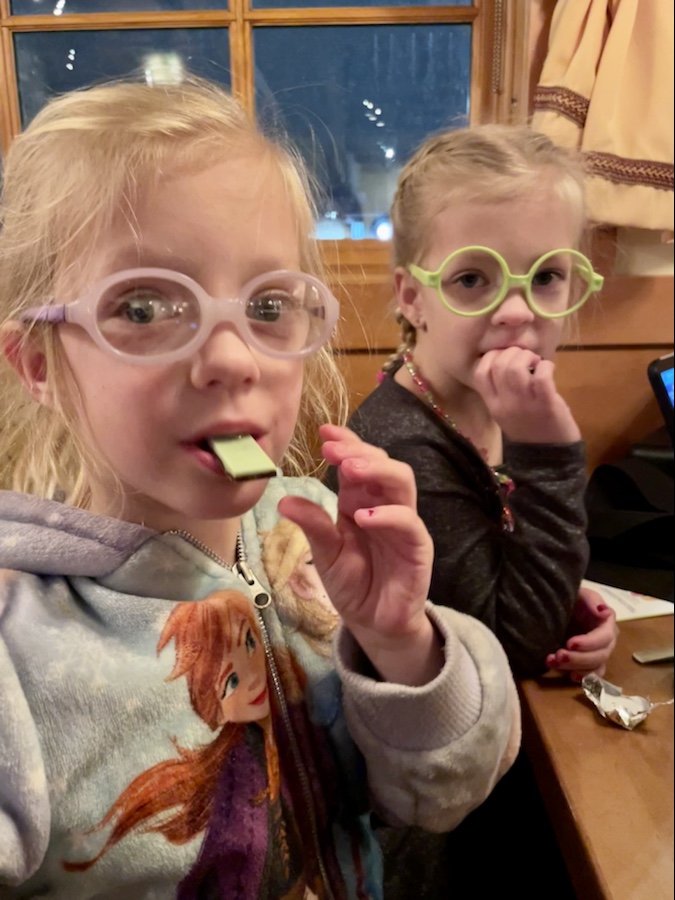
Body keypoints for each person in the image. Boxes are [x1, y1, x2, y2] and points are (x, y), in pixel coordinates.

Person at [0, 79, 519, 898]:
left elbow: (439, 795)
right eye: (144, 306)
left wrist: (400, 643)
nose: (233, 358)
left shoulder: (315, 540)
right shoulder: (18, 645)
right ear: (40, 365)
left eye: (268, 304)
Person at [332, 124, 619, 898]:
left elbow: (505, 575)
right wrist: (549, 455)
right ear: (411, 297)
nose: (517, 312)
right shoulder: (402, 450)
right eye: (472, 279)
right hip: (436, 831)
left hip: (503, 752)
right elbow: (511, 646)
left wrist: (572, 604)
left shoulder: (477, 408)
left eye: (546, 277)